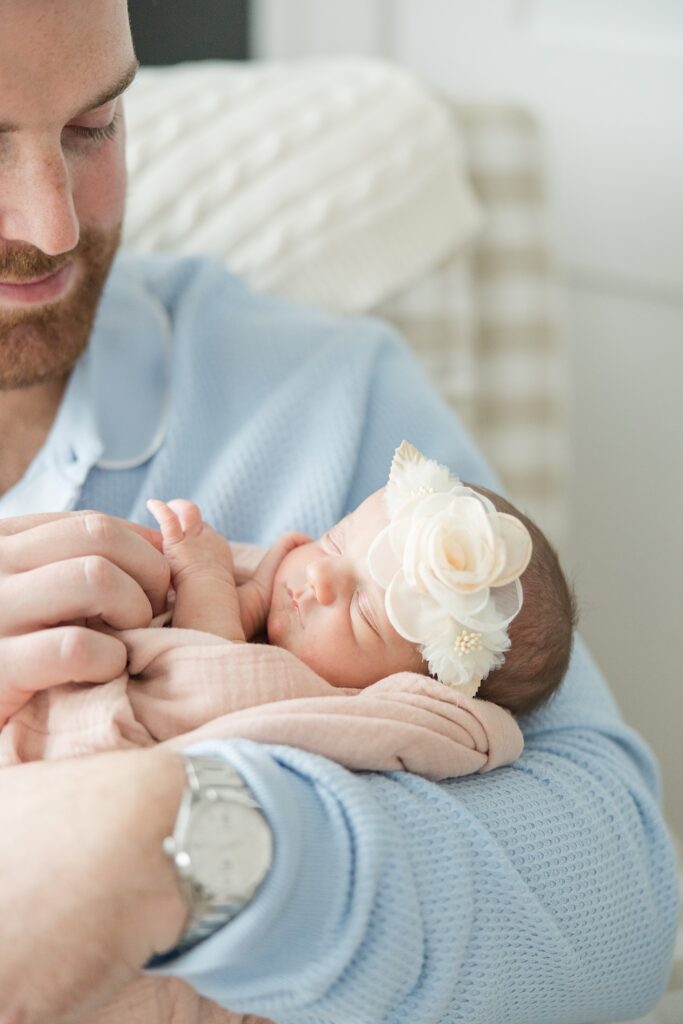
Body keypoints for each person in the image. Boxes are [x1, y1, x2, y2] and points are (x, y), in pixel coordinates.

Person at [0, 2, 678, 1023]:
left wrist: (165, 845)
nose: (52, 225)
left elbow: (615, 906)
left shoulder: (321, 400)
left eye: (94, 126)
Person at [148, 439, 574, 715]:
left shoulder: (330, 710)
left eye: (364, 612)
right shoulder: (268, 580)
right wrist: (251, 599)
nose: (320, 573)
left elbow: (206, 693)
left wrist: (204, 579)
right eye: (335, 540)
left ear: (412, 693)